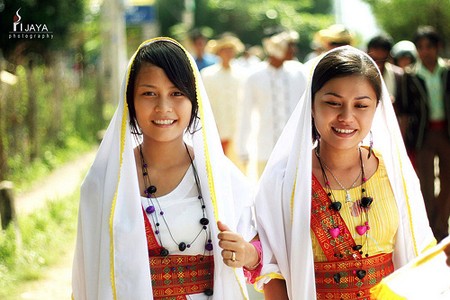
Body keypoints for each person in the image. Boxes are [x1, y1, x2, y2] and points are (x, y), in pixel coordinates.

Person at [72, 37, 261, 299]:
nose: (163, 107)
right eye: (149, 93)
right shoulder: (103, 184)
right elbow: (88, 277)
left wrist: (249, 254)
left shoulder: (222, 178)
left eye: (177, 93)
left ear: (194, 100)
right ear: (130, 102)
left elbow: (262, 251)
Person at [254, 46, 437, 299]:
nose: (346, 117)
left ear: (377, 108)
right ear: (311, 104)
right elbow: (272, 270)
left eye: (361, 105)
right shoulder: (284, 179)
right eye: (333, 103)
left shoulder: (396, 174)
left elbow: (419, 253)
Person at [399, 26, 450, 242]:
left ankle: (441, 224)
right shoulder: (410, 76)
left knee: (448, 180)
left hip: (446, 133)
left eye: (428, 46)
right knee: (426, 183)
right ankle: (430, 229)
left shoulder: (447, 71)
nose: (424, 51)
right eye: (420, 47)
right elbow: (404, 109)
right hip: (423, 135)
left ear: (438, 47)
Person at [236, 29, 307, 178]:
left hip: (296, 150)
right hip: (265, 149)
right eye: (290, 45)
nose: (294, 50)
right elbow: (245, 115)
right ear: (277, 47)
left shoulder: (300, 73)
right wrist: (242, 149)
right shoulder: (254, 76)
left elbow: (308, 111)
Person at [201, 33, 245, 158]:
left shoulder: (242, 74)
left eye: (231, 50)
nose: (228, 54)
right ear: (218, 52)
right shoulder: (207, 74)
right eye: (225, 50)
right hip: (216, 126)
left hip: (236, 127)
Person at [366, 34, 404, 104]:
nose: (377, 65)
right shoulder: (359, 75)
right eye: (374, 60)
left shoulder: (399, 76)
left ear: (389, 56)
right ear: (367, 54)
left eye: (382, 61)